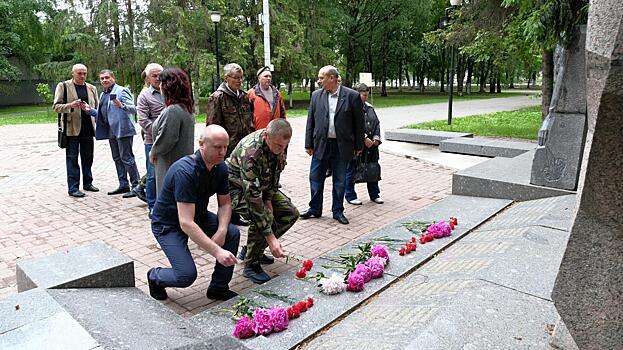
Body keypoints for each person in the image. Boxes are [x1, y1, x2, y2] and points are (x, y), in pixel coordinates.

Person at [147, 125, 239, 301]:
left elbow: (225, 203)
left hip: (197, 217)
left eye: (225, 147)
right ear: (202, 144)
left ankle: (218, 288)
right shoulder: (185, 171)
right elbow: (186, 223)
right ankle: (155, 276)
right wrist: (217, 251)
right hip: (169, 225)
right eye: (217, 147)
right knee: (185, 276)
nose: (223, 152)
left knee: (231, 233)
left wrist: (221, 231)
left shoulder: (220, 167)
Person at [227, 119, 299, 284]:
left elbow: (275, 175)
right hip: (238, 190)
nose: (281, 150)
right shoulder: (251, 153)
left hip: (263, 187)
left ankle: (253, 249)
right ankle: (251, 264)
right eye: (278, 146)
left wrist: (268, 200)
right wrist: (271, 237)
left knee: (290, 213)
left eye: (284, 146)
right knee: (263, 217)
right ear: (266, 136)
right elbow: (253, 199)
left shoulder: (278, 144)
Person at [301, 65, 365, 225]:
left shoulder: (352, 96)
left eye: (321, 78)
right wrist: (308, 143)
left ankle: (338, 211)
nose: (319, 81)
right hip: (321, 145)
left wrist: (358, 146)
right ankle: (315, 208)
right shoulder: (316, 96)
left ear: (332, 78)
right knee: (315, 178)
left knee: (340, 180)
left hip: (342, 146)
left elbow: (359, 124)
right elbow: (311, 121)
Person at [82, 70, 141, 196]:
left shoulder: (121, 90)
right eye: (102, 78)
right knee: (117, 158)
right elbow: (103, 114)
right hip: (110, 131)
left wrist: (121, 105)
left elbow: (133, 109)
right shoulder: (103, 94)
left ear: (113, 78)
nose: (104, 80)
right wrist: (89, 110)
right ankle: (123, 185)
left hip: (123, 129)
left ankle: (136, 186)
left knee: (127, 158)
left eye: (107, 77)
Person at [53, 64, 100, 198]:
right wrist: (71, 105)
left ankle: (88, 183)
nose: (82, 76)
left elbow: (96, 107)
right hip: (72, 128)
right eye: (79, 73)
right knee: (72, 159)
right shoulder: (64, 86)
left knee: (88, 157)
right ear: (72, 73)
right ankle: (73, 188)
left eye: (84, 73)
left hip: (88, 128)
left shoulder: (92, 88)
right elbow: (56, 106)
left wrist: (89, 109)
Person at [149, 67, 195, 194]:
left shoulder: (173, 111)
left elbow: (167, 138)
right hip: (182, 163)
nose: (160, 87)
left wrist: (153, 151)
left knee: (168, 197)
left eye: (162, 83)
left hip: (170, 163)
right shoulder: (186, 108)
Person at [345, 83, 384, 205]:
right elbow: (349, 126)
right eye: (363, 95)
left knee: (372, 169)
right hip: (357, 146)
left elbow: (376, 123)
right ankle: (350, 195)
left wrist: (376, 138)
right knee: (352, 170)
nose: (365, 97)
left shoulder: (370, 108)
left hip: (372, 147)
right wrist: (364, 138)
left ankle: (374, 194)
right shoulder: (350, 108)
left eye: (367, 95)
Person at [206, 63, 254, 157]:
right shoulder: (217, 98)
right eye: (236, 77)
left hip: (246, 149)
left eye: (241, 78)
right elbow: (212, 128)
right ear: (226, 78)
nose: (239, 81)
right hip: (227, 151)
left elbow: (250, 123)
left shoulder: (244, 97)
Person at [137, 63, 165, 213]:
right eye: (154, 76)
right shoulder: (144, 96)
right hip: (153, 141)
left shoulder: (170, 92)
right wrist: (160, 132)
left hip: (171, 140)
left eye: (160, 74)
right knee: (153, 175)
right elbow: (143, 120)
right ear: (148, 78)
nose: (158, 78)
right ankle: (153, 206)